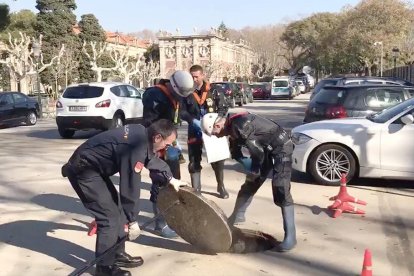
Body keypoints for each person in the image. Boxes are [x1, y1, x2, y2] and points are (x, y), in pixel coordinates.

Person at [61, 119, 187, 276]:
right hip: (83, 172)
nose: (166, 148)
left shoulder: (141, 134)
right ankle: (104, 268)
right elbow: (130, 186)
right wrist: (132, 220)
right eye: (166, 144)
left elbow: (149, 158)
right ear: (157, 137)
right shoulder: (133, 147)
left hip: (95, 170)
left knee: (118, 210)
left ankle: (117, 254)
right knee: (109, 218)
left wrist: (169, 178)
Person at [200, 112, 297, 252]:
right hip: (265, 149)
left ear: (217, 125)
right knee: (250, 183)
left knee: (280, 186)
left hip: (281, 147)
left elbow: (258, 153)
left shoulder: (240, 126)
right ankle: (237, 216)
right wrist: (249, 167)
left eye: (214, 132)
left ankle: (291, 238)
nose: (215, 136)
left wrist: (255, 169)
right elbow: (238, 153)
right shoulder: (231, 129)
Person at [142, 70, 194, 238]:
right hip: (157, 142)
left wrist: (193, 120)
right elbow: (150, 122)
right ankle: (160, 224)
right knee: (160, 180)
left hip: (170, 143)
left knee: (173, 179)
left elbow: (182, 111)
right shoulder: (154, 95)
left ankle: (171, 216)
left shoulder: (178, 93)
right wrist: (162, 141)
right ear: (172, 85)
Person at [180, 64, 229, 198]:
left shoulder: (214, 90)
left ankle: (221, 185)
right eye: (192, 76)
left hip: (213, 130)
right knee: (194, 160)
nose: (194, 79)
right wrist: (192, 120)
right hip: (195, 130)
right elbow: (182, 111)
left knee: (217, 160)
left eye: (196, 76)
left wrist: (219, 121)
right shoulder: (186, 92)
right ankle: (197, 191)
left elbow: (224, 108)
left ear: (202, 75)